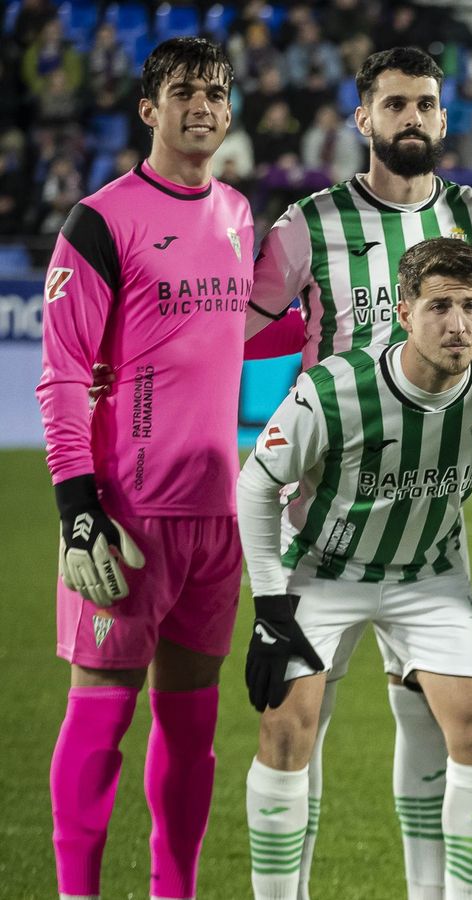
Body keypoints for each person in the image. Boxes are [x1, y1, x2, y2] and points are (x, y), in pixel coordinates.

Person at [236, 238, 472, 900]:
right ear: (404, 311)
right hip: (323, 571)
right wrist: (271, 604)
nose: (459, 325)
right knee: (286, 728)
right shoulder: (336, 388)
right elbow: (257, 482)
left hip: (428, 576)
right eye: (440, 307)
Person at [245, 46, 472, 900]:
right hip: (321, 516)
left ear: (443, 116)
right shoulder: (308, 225)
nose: (412, 118)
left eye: (425, 104)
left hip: (427, 518)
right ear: (363, 118)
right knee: (296, 721)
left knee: (435, 716)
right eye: (394, 104)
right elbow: (235, 327)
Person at [37, 37, 253, 900]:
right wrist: (78, 509)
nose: (203, 105)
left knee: (193, 730)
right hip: (129, 517)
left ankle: (175, 892)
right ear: (148, 109)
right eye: (185, 91)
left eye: (216, 92)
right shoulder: (100, 220)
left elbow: (233, 330)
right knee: (101, 715)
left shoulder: (238, 212)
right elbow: (62, 373)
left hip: (219, 515)